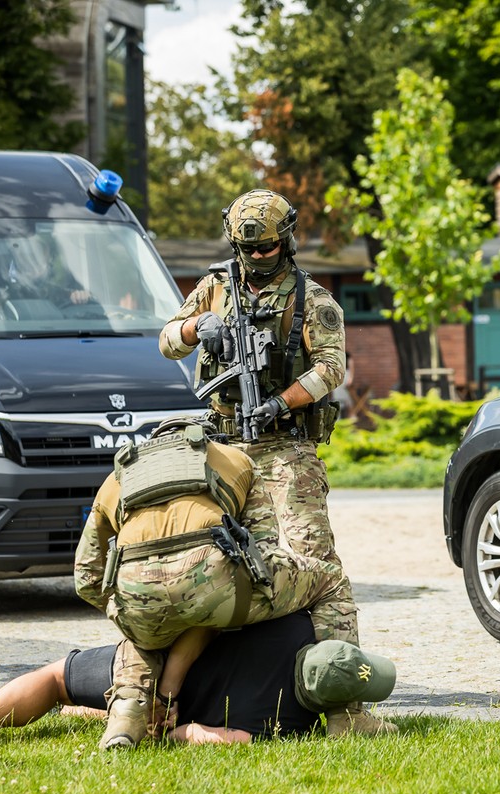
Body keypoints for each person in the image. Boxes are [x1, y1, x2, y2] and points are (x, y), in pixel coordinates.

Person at [158, 191, 376, 737]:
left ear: (289, 238)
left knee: (316, 566)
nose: (257, 259)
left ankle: (346, 705)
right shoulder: (214, 287)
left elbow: (331, 369)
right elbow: (167, 341)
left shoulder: (314, 300)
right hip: (222, 447)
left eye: (268, 248)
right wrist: (196, 329)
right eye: (247, 250)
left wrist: (282, 402)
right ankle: (179, 695)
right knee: (213, 561)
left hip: (285, 449)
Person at [74, 416, 392, 749]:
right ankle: (346, 715)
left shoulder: (117, 478)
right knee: (331, 581)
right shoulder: (235, 459)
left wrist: (126, 606)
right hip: (215, 582)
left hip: (138, 592)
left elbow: (86, 577)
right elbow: (264, 551)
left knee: (141, 622)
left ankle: (126, 714)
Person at [0, 613, 397, 749]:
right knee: (71, 689)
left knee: (55, 677)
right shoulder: (288, 722)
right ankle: (96, 710)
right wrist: (171, 724)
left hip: (157, 658)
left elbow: (209, 617)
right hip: (164, 689)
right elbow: (194, 736)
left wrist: (169, 683)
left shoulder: (297, 625)